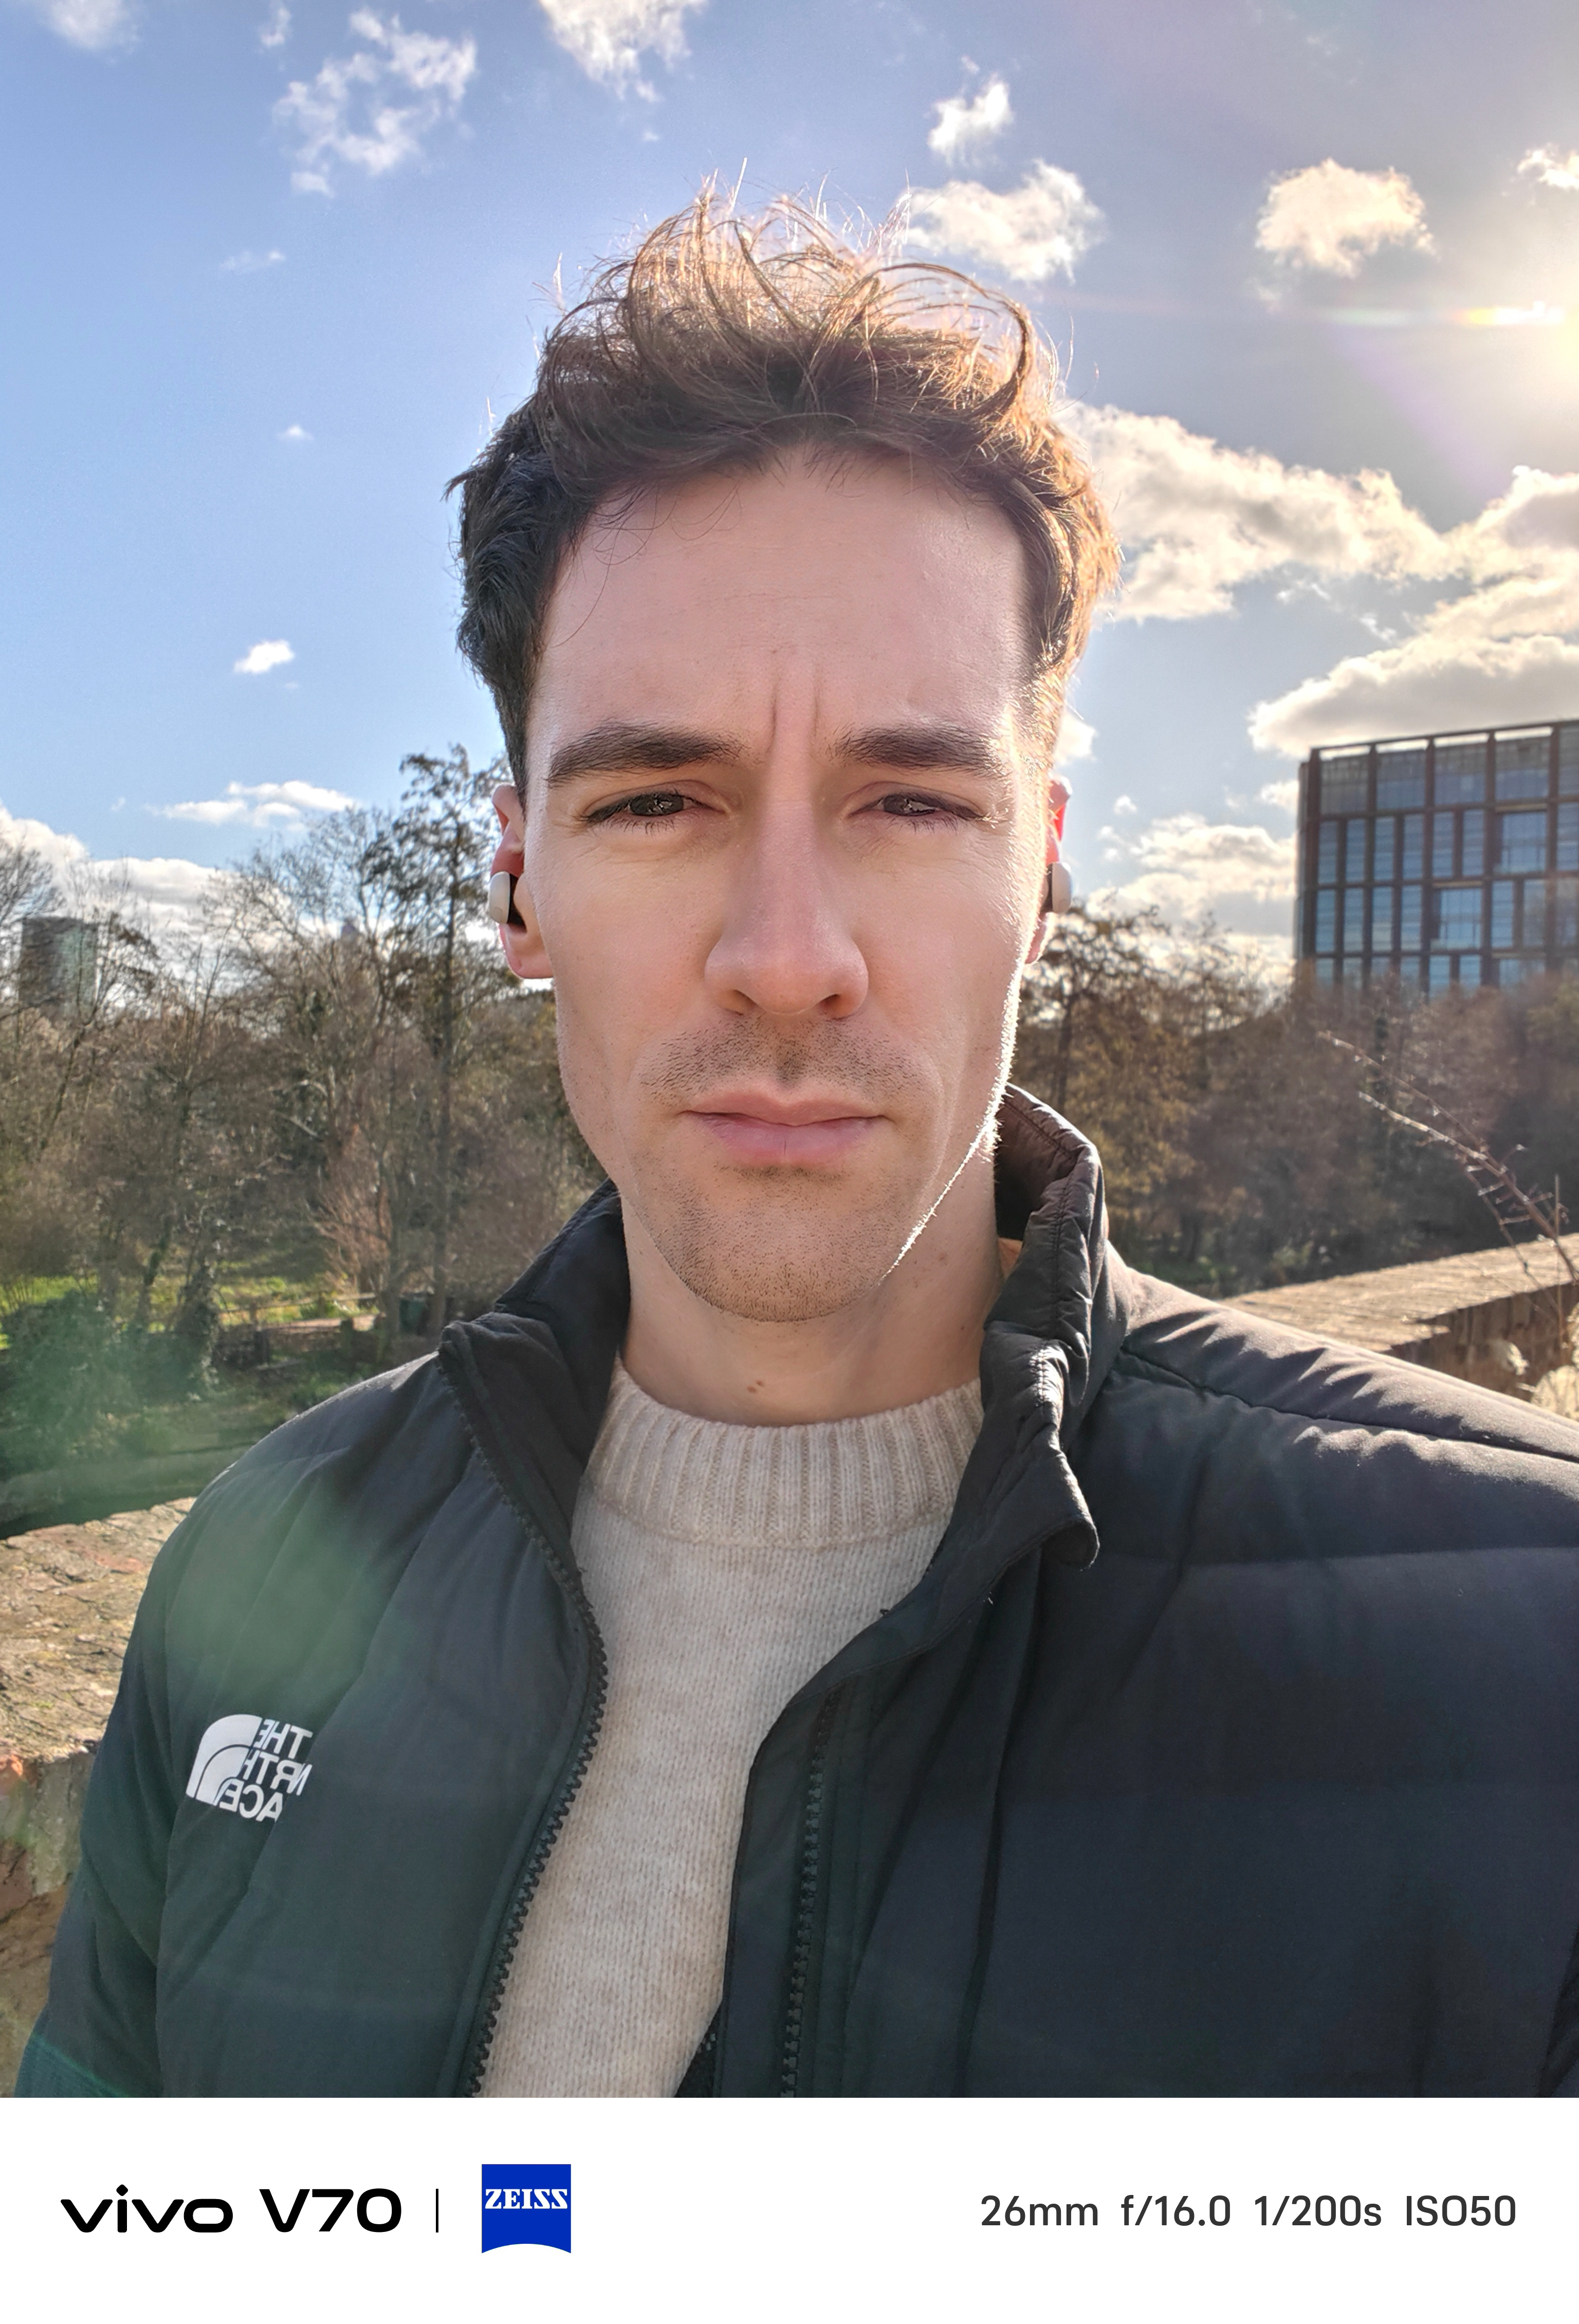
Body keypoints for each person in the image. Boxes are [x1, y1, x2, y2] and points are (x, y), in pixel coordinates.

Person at [21, 196, 1579, 2101]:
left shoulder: (1524, 1647)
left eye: (912, 802)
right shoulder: (263, 1565)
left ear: (1047, 870)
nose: (787, 960)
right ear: (519, 880)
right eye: (661, 798)